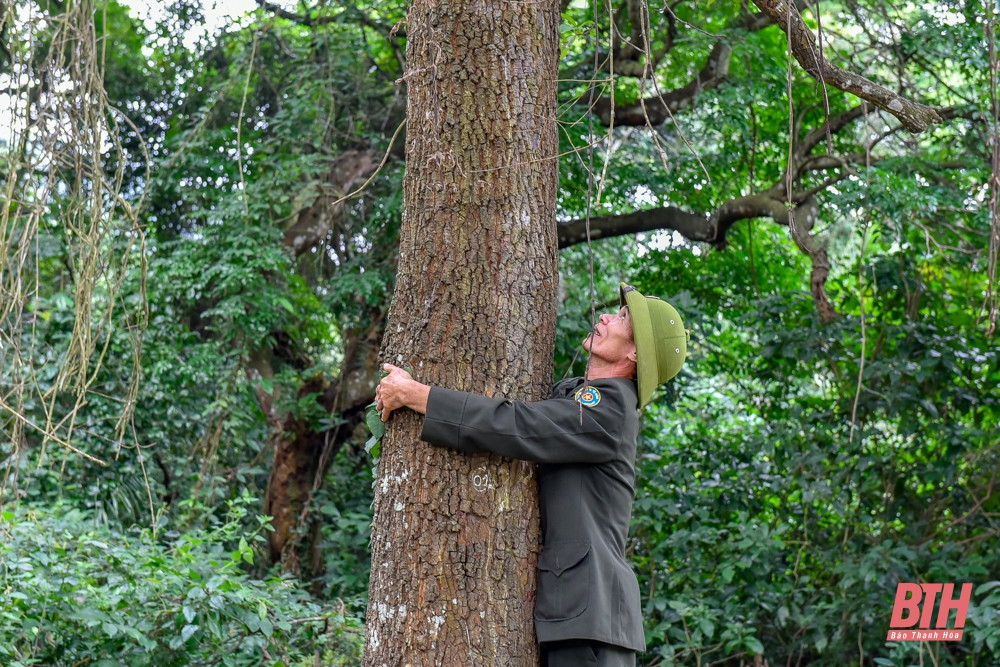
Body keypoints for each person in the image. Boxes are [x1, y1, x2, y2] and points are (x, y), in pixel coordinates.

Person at [375, 283, 688, 667]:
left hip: (591, 624)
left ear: (636, 353)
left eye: (623, 318)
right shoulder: (583, 397)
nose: (607, 316)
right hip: (579, 617)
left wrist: (418, 396)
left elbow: (519, 425)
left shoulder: (612, 409)